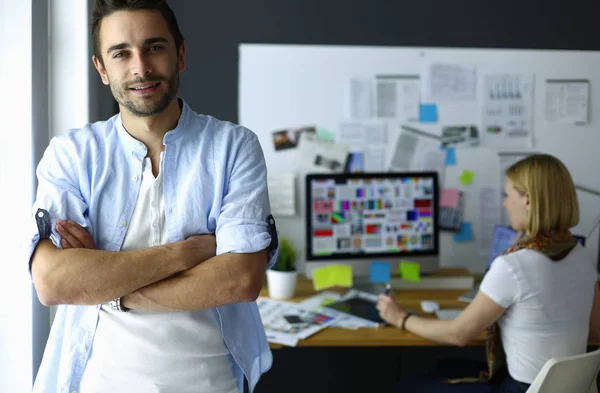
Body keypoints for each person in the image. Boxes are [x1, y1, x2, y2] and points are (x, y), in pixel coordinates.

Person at [28, 1, 278, 392]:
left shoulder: (234, 147)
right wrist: (188, 253)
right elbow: (53, 283)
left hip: (212, 384)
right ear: (101, 69)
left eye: (154, 47)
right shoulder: (72, 154)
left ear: (180, 55)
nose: (140, 67)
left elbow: (241, 280)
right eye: (121, 53)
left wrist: (105, 286)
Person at [377, 154, 597, 393]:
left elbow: (458, 334)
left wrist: (400, 317)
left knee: (407, 385)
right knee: (446, 365)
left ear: (528, 201)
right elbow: (595, 330)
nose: (504, 203)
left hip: (521, 389)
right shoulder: (583, 258)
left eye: (508, 195)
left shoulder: (514, 265)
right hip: (569, 389)